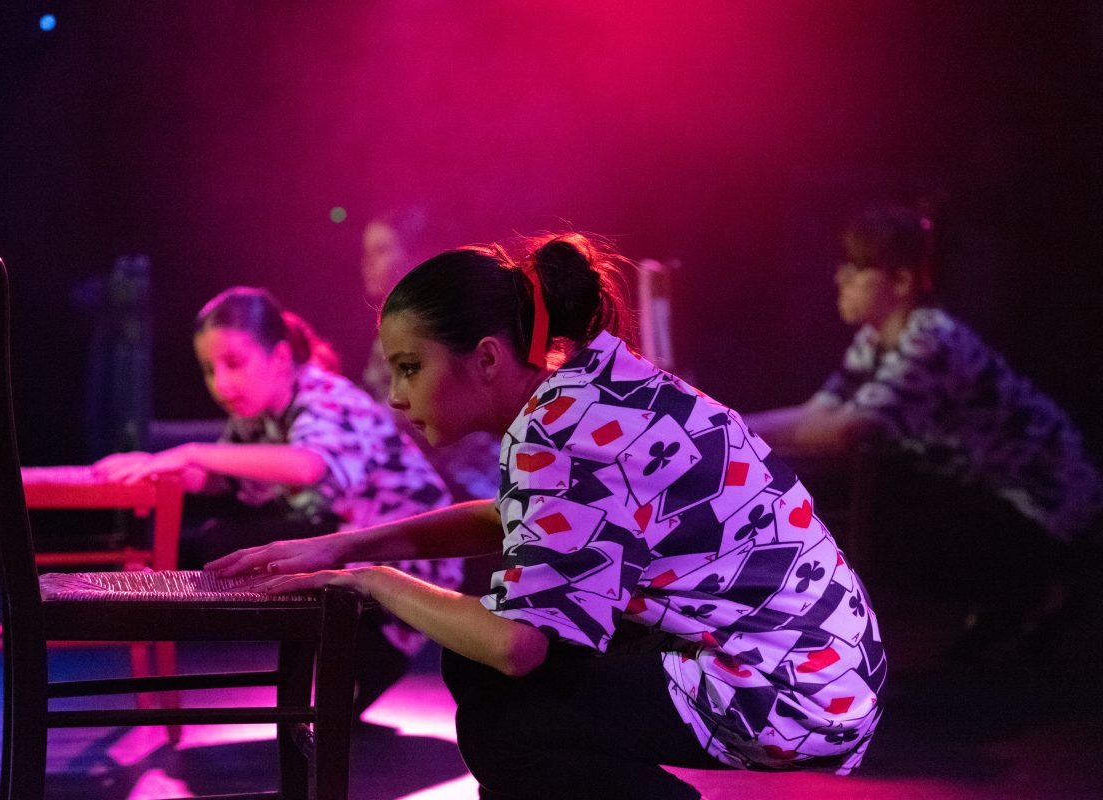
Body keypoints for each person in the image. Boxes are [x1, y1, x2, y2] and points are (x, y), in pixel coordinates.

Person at [207, 234, 886, 799]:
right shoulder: (588, 385)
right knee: (484, 680)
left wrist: (367, 579)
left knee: (507, 725)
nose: (396, 396)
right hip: (828, 670)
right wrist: (343, 545)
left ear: (486, 358)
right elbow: (514, 517)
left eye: (410, 368)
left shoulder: (559, 433)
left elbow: (517, 644)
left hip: (786, 691)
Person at [744, 203, 1103, 657]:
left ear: (901, 281)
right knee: (877, 487)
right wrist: (725, 421)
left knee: (881, 501)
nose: (840, 278)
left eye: (857, 267)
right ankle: (1009, 599)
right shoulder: (874, 341)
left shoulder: (931, 341)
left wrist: (728, 429)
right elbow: (815, 414)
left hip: (1046, 520)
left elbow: (843, 432)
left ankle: (1036, 588)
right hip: (995, 504)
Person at [94, 286, 461, 714]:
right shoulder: (254, 416)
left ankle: (364, 654)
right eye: (210, 370)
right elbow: (221, 476)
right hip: (342, 550)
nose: (221, 384)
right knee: (225, 542)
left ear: (281, 358)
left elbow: (307, 466)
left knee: (226, 543)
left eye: (234, 363)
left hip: (408, 563)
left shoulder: (325, 397)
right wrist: (153, 467)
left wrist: (189, 452)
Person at [361, 208, 501, 501]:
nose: (367, 263)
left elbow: (398, 413)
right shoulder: (393, 327)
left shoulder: (441, 320)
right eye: (366, 252)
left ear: (418, 255)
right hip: (438, 481)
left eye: (382, 250)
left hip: (479, 484)